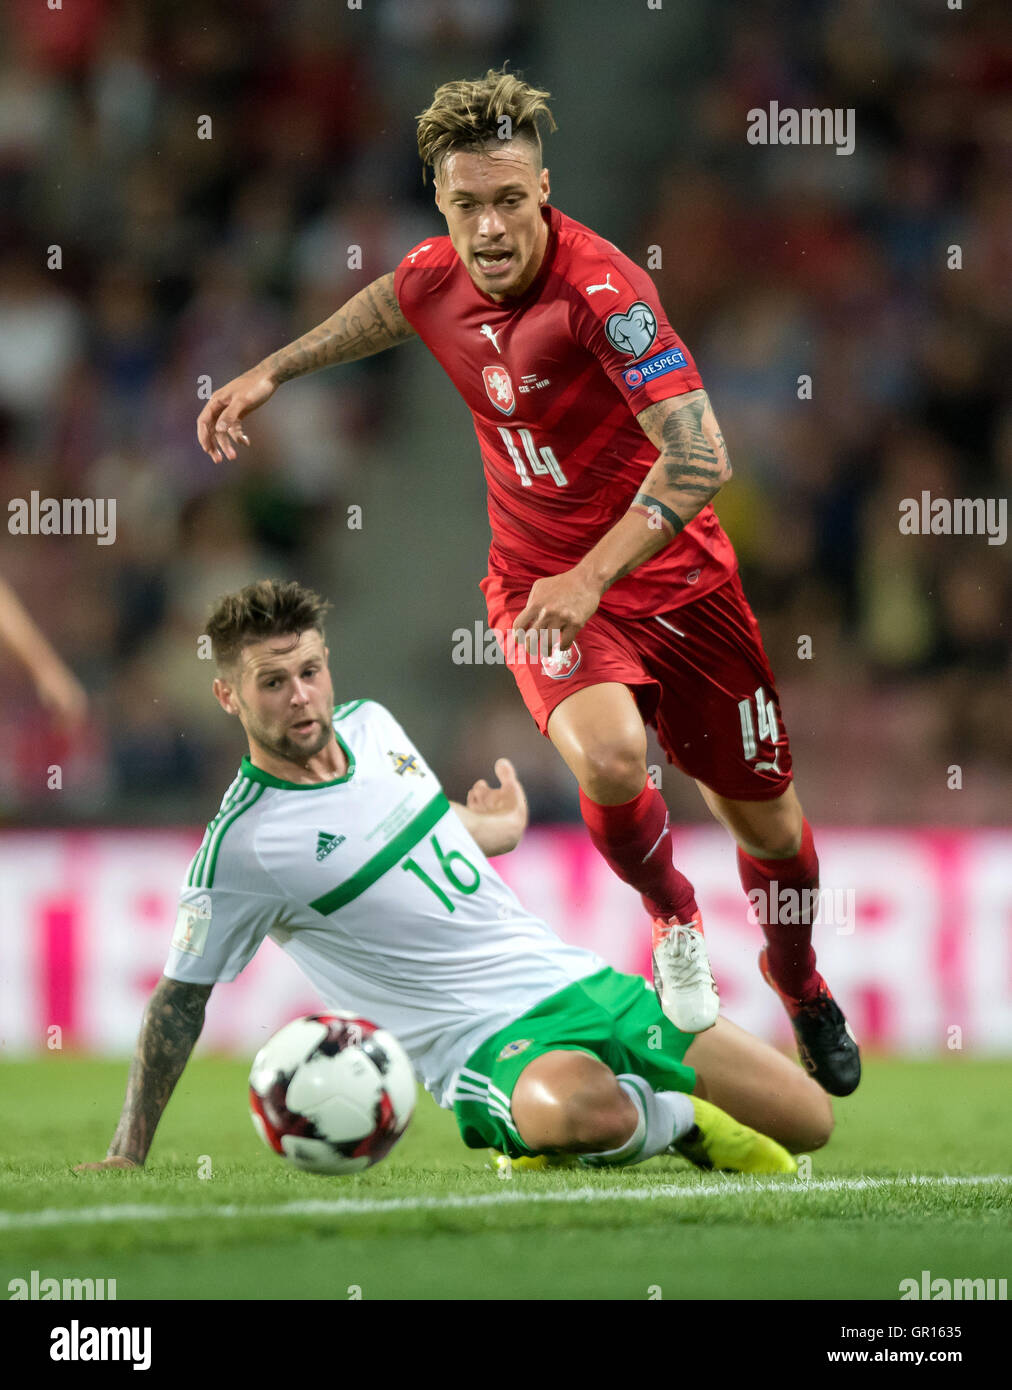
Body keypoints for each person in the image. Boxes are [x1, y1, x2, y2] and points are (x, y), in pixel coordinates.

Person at [194, 69, 860, 1097]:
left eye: (510, 200)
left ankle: (799, 979)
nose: (491, 226)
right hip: (536, 585)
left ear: (543, 189)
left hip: (675, 586)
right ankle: (674, 921)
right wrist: (275, 370)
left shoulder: (604, 293)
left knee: (769, 826)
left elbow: (700, 457)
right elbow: (388, 304)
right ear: (442, 206)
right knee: (606, 756)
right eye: (468, 205)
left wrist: (595, 575)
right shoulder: (432, 276)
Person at [77, 580, 833, 1176]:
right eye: (272, 682)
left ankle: (593, 1125)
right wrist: (128, 1149)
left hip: (582, 983)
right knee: (579, 1112)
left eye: (309, 671)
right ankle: (676, 1126)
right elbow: (179, 1001)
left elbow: (418, 824)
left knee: (810, 1122)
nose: (301, 696)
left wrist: (493, 830)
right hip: (482, 1045)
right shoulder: (242, 845)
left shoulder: (374, 726)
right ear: (228, 696)